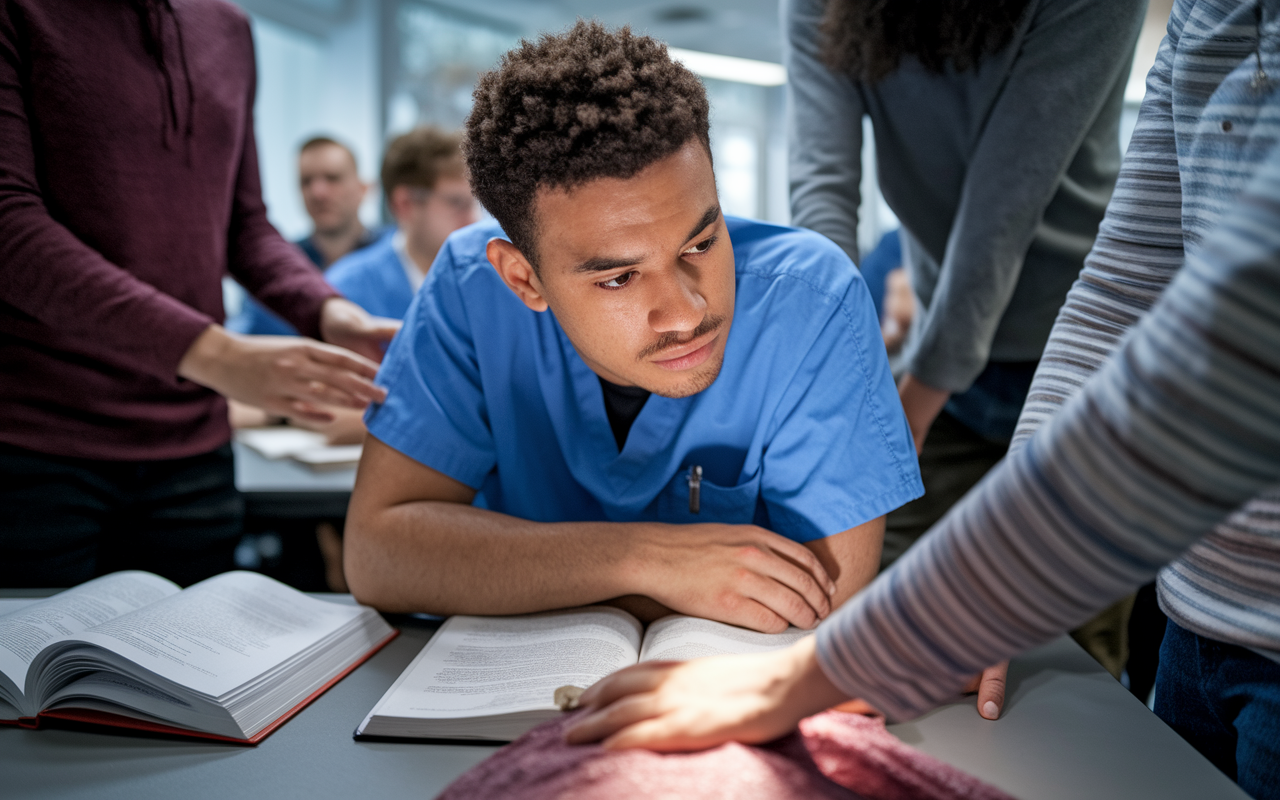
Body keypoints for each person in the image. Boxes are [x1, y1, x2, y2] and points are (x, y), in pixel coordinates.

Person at [567, 3, 1280, 795]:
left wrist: (808, 676)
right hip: (1204, 600)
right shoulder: (1209, 14)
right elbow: (1122, 283)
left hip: (1129, 447)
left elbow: (1227, 342)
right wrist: (830, 368)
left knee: (1056, 695)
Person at [343, 21, 924, 632]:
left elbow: (826, 602)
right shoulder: (470, 289)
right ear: (524, 280)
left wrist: (501, 569)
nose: (687, 313)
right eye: (618, 278)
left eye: (700, 243)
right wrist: (646, 559)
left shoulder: (813, 301)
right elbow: (379, 554)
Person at [785, 0, 1147, 679]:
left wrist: (908, 409)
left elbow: (1000, 211)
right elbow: (823, 188)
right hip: (940, 357)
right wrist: (833, 377)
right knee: (891, 619)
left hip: (1082, 354)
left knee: (1058, 655)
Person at [0, 0, 396, 588]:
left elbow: (245, 225)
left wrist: (327, 311)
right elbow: (11, 226)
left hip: (192, 453)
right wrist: (215, 354)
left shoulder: (229, 28)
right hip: (41, 443)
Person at [229, 136, 384, 337]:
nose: (318, 192)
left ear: (364, 189)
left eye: (332, 178)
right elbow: (245, 334)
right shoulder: (274, 267)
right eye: (306, 181)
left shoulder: (394, 258)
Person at [325, 126, 479, 320]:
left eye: (474, 203)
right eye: (457, 203)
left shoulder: (493, 280)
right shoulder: (344, 292)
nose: (473, 219)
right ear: (405, 204)